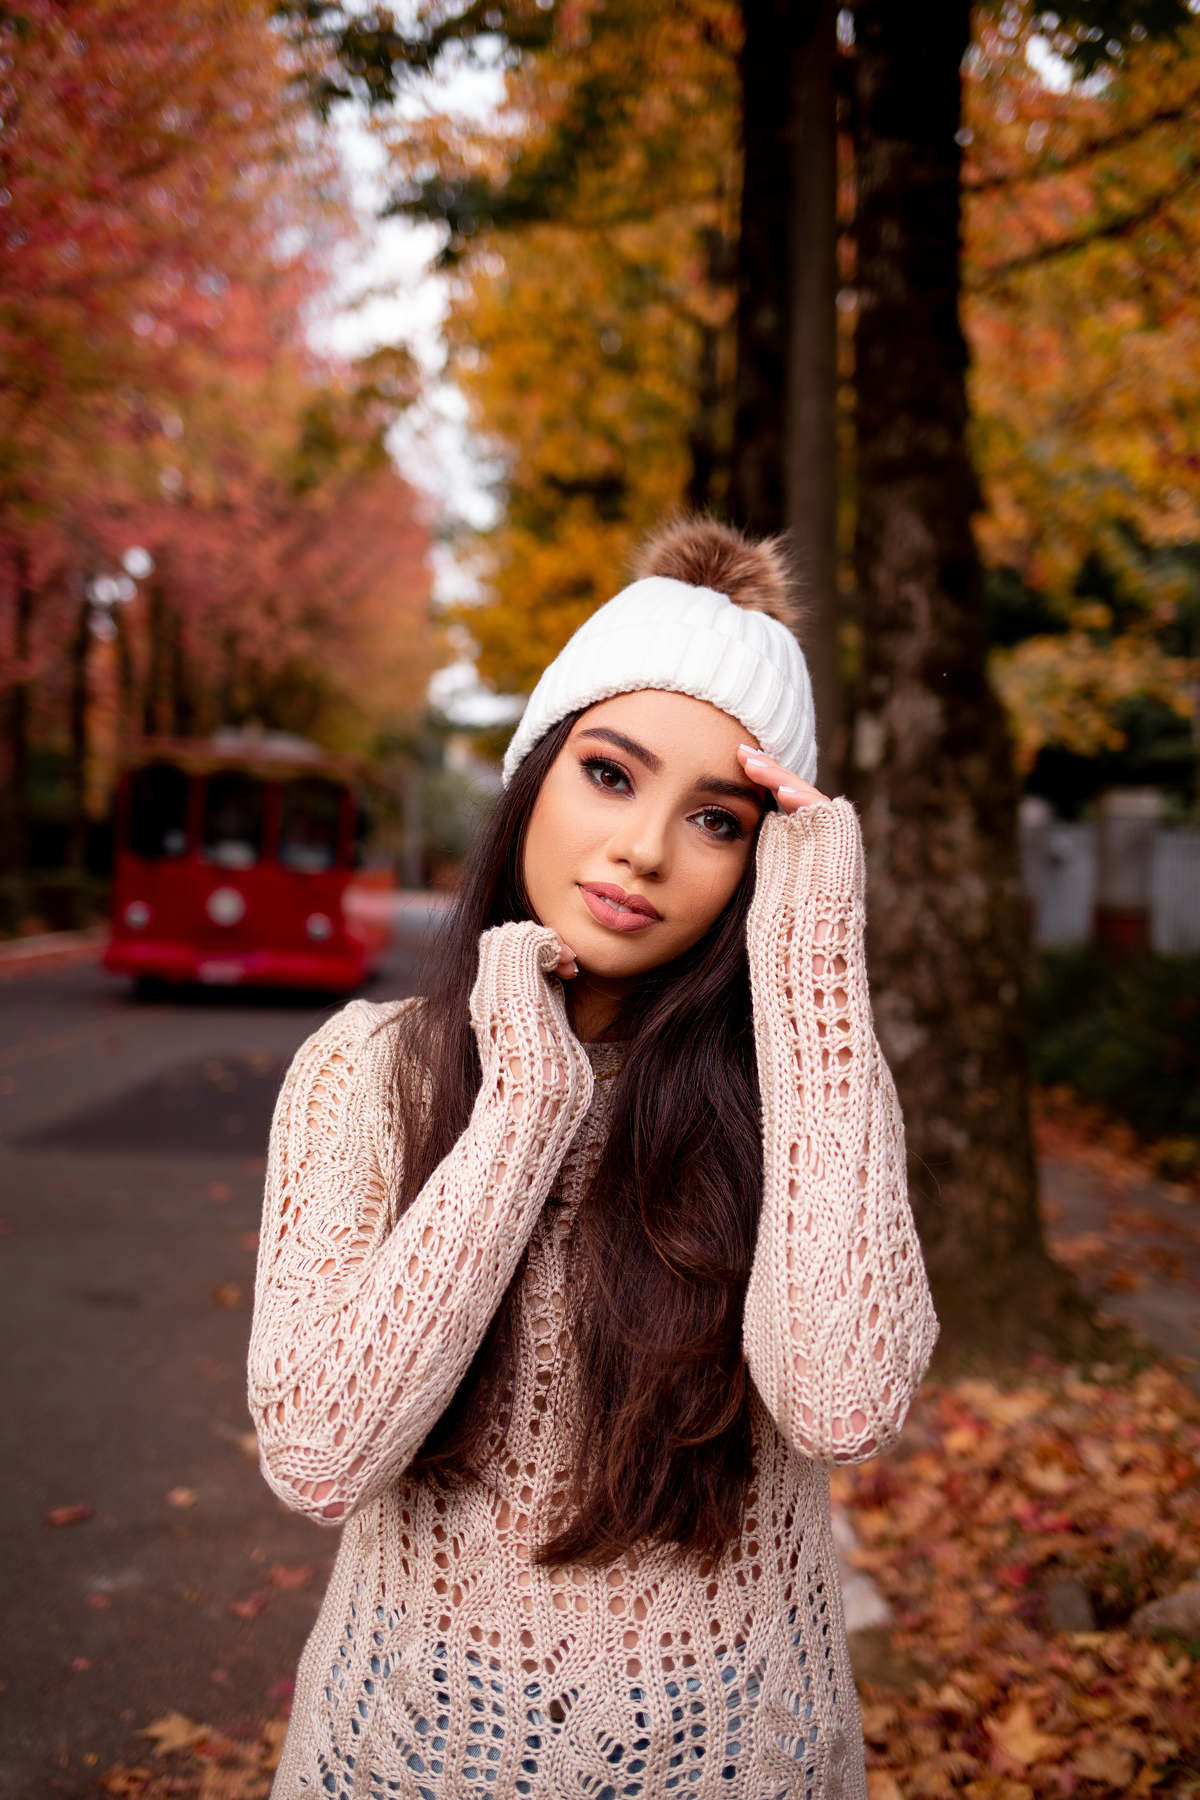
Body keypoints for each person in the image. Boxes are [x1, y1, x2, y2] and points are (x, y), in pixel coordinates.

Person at [248, 516, 938, 1800]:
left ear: (761, 859)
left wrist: (812, 966)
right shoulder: (366, 1068)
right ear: (534, 777)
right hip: (408, 1753)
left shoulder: (808, 1085)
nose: (644, 849)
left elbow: (845, 1404)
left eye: (718, 818)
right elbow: (318, 1455)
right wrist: (522, 1108)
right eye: (611, 775)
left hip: (740, 1757)